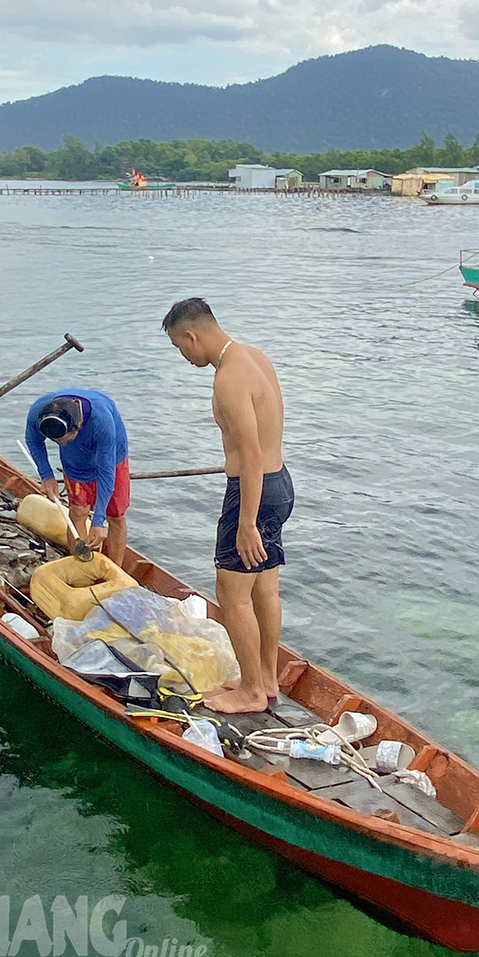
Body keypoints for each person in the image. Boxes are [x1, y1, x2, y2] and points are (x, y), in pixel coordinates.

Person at [162, 298, 294, 713]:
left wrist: (246, 522)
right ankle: (267, 679)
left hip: (252, 492)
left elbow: (250, 454)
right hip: (280, 485)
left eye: (180, 348)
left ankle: (252, 692)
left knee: (231, 593)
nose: (184, 357)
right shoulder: (254, 357)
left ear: (192, 335)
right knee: (265, 588)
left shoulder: (227, 379)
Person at [25, 388, 130, 565]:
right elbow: (33, 440)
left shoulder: (102, 422)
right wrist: (47, 476)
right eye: (57, 442)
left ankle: (116, 570)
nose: (61, 444)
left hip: (112, 455)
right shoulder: (38, 413)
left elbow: (106, 472)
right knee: (78, 511)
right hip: (75, 456)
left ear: (79, 423)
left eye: (65, 439)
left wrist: (98, 521)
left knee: (116, 515)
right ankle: (80, 565)